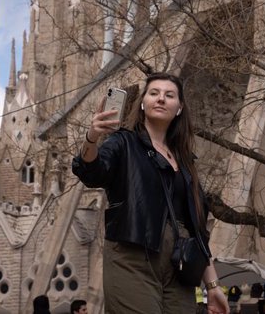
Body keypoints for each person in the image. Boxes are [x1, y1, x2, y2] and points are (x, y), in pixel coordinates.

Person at [73, 73, 229, 314]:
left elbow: (198, 229)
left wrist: (213, 285)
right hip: (133, 255)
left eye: (169, 95)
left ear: (179, 108)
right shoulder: (123, 143)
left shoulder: (186, 162)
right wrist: (91, 137)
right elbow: (91, 172)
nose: (161, 99)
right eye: (154, 93)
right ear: (143, 103)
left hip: (180, 264)